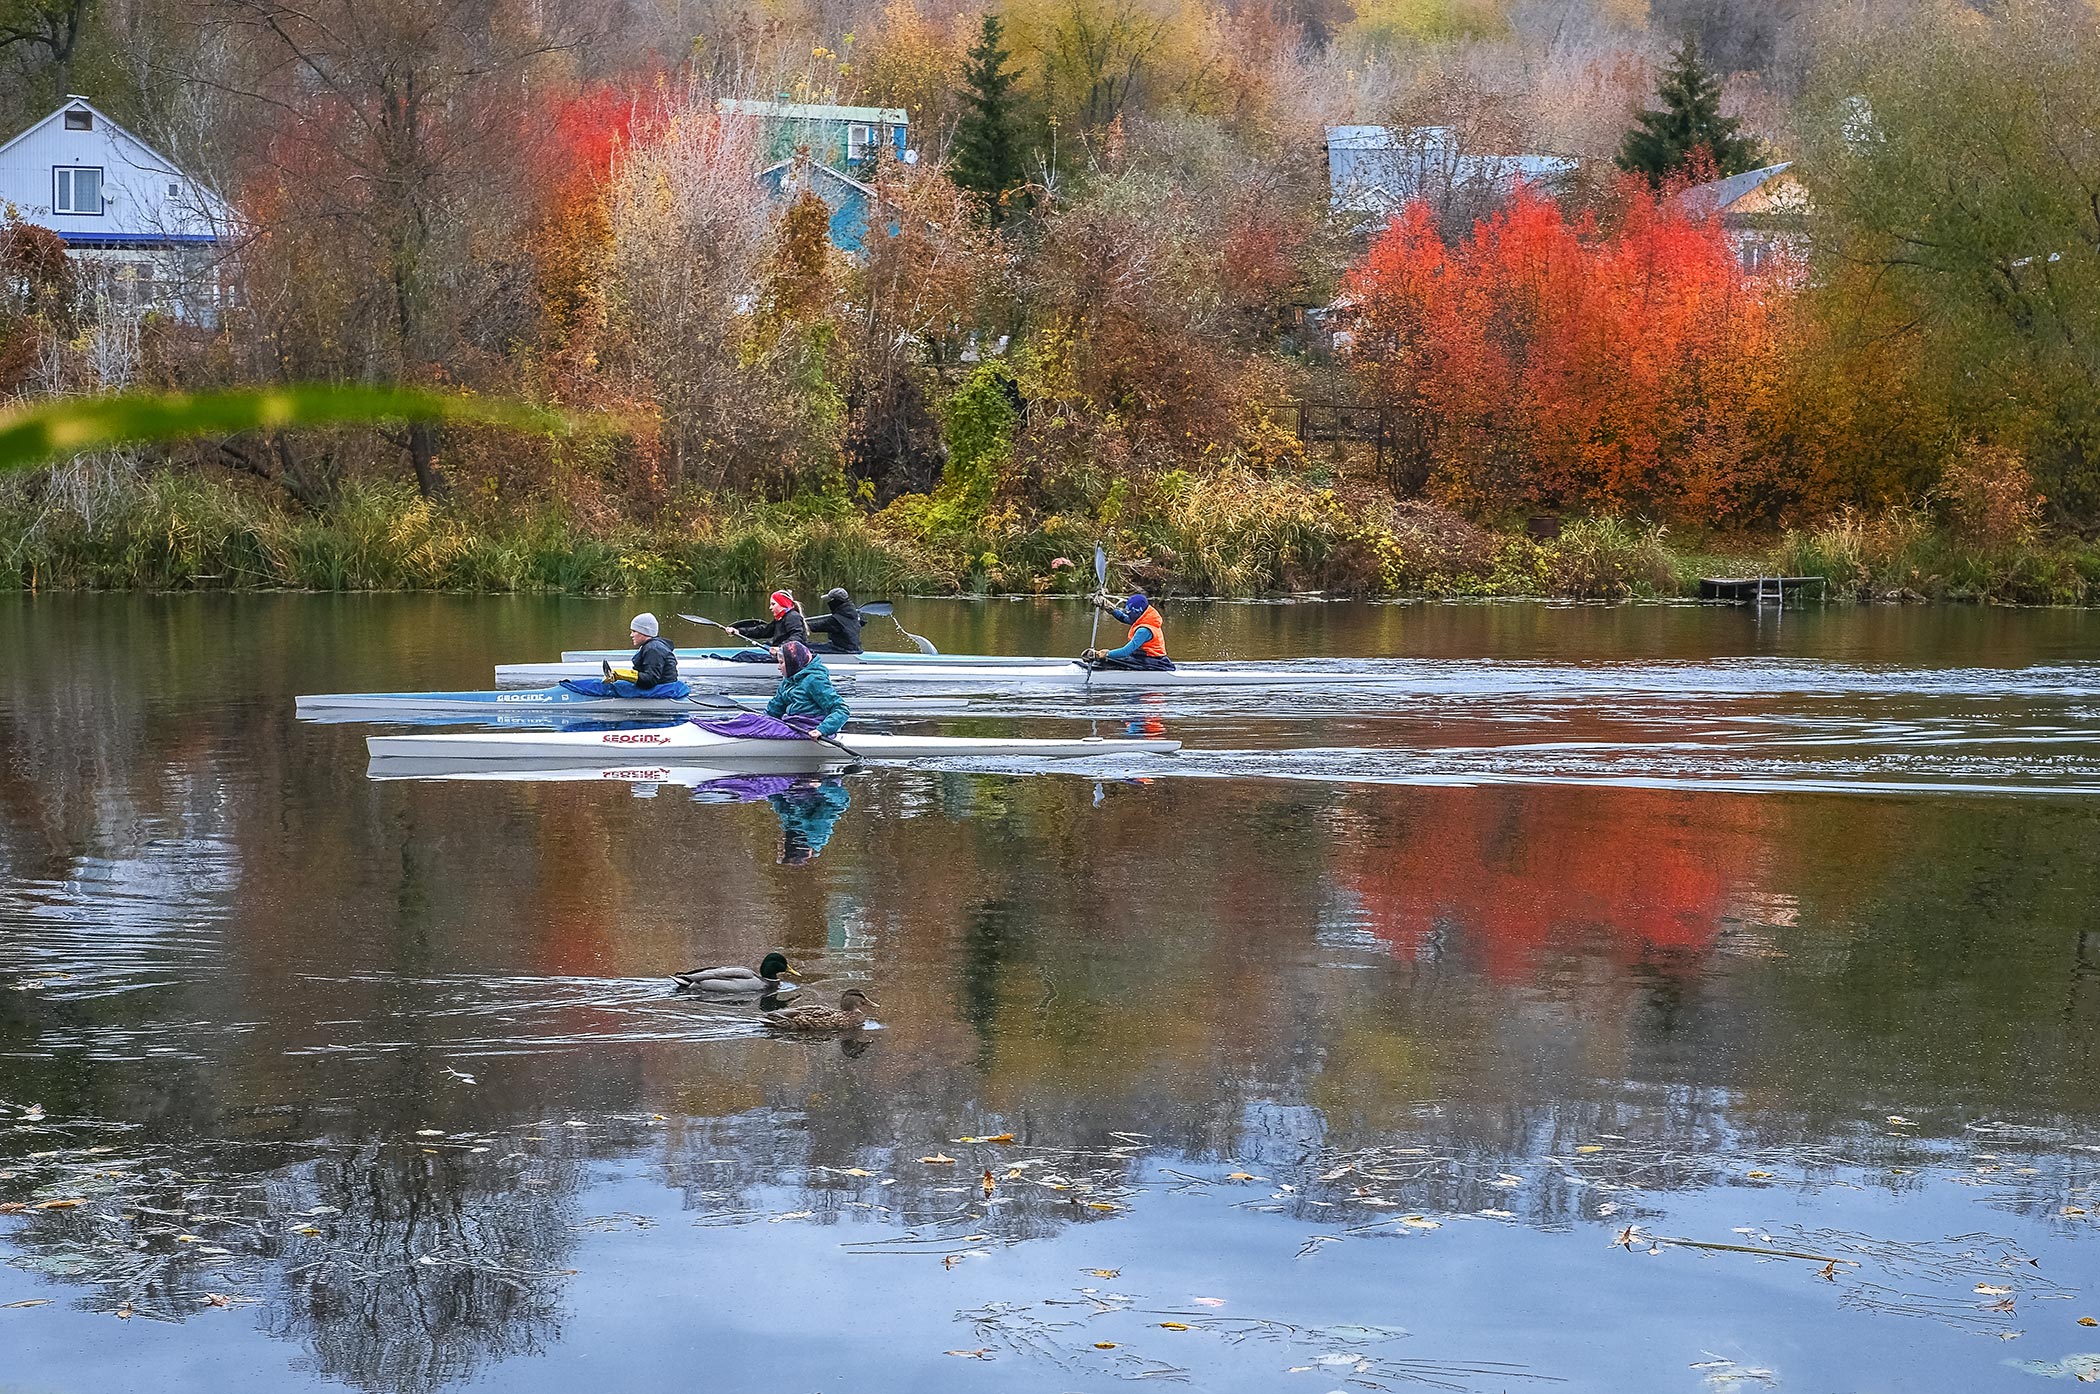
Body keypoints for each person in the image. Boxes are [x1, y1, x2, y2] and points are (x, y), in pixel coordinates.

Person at [574, 613, 689, 697]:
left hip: (659, 690)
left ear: (645, 632)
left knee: (606, 686)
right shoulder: (652, 646)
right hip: (660, 686)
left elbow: (650, 680)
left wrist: (622, 675)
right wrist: (621, 676)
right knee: (605, 683)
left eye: (634, 631)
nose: (631, 635)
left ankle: (572, 691)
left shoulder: (653, 649)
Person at [766, 640, 851, 740]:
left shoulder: (814, 680)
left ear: (793, 663)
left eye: (781, 663)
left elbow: (841, 709)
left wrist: (822, 730)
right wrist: (762, 720)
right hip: (793, 724)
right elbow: (774, 709)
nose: (778, 667)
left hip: (810, 728)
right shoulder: (788, 682)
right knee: (746, 721)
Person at [1081, 591, 1175, 671]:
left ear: (1137, 611)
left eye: (1129, 612)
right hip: (1144, 659)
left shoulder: (1144, 631)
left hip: (1153, 662)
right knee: (1107, 659)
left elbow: (1125, 652)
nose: (1127, 614)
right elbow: (1123, 618)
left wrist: (1100, 654)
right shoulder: (1143, 618)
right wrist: (1106, 605)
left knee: (1106, 659)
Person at [728, 591, 811, 650]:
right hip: (781, 653)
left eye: (773, 604)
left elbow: (797, 637)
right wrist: (739, 631)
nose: (770, 608)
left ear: (783, 604)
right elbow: (764, 631)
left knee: (744, 656)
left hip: (790, 655)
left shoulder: (792, 617)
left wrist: (781, 648)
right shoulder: (781, 618)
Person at [805, 587, 865, 656]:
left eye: (830, 600)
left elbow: (818, 626)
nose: (829, 602)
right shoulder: (853, 613)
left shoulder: (837, 620)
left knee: (806, 647)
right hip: (855, 648)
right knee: (812, 644)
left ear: (835, 601)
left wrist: (802, 624)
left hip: (843, 650)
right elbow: (863, 621)